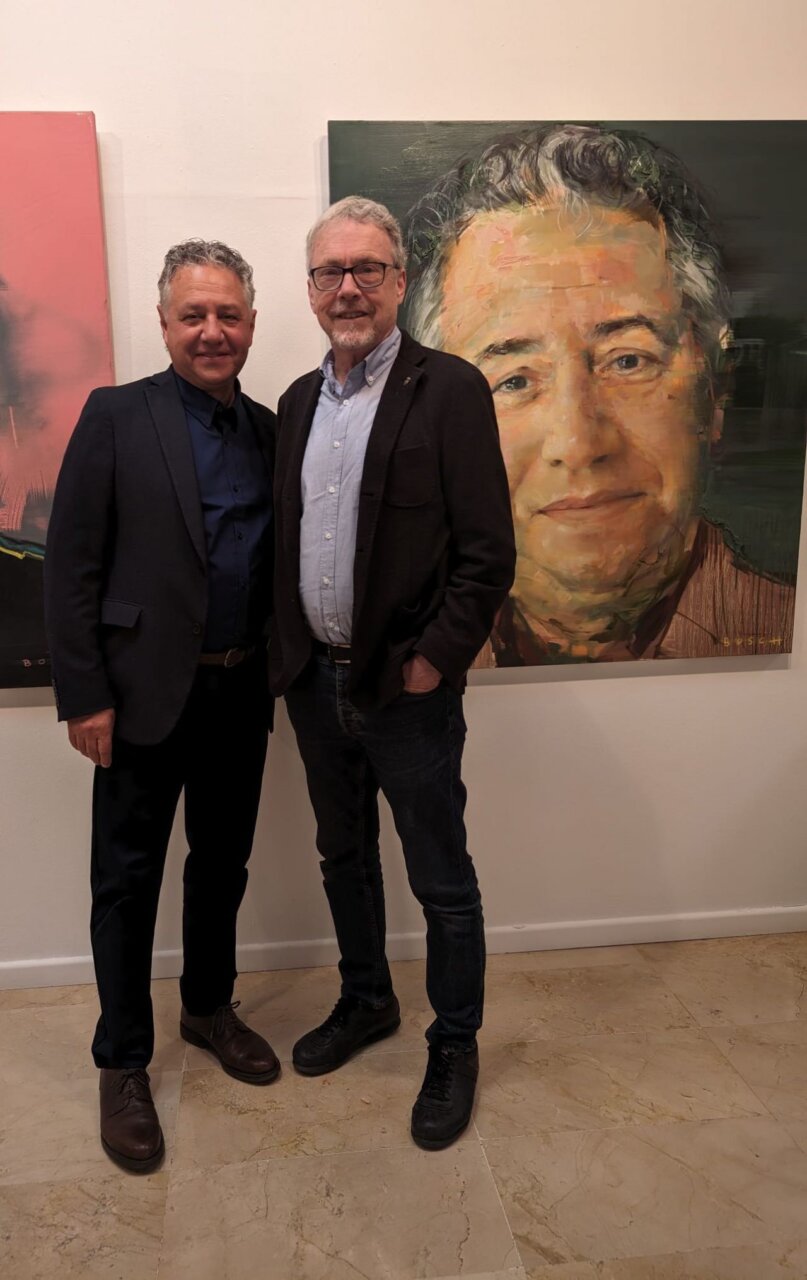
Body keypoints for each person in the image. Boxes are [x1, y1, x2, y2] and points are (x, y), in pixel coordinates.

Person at [270, 197, 515, 1149]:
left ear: (400, 281)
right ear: (309, 289)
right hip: (316, 687)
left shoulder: (449, 389)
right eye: (330, 272)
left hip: (407, 695)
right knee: (344, 858)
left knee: (441, 879)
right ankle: (367, 999)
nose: (348, 288)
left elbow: (485, 556)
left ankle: (453, 1043)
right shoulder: (298, 402)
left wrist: (431, 664)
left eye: (366, 269)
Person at [44, 239, 278, 1174]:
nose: (211, 331)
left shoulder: (269, 429)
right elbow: (71, 565)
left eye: (228, 315)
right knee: (126, 881)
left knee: (221, 866)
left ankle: (209, 1008)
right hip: (139, 697)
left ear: (251, 324)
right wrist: (84, 695)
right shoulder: (116, 415)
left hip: (239, 690)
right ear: (165, 322)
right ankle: (123, 1061)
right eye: (194, 315)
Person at [404, 123, 795, 663]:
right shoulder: (395, 648)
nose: (578, 443)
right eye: (514, 380)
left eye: (628, 361)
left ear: (715, 392)